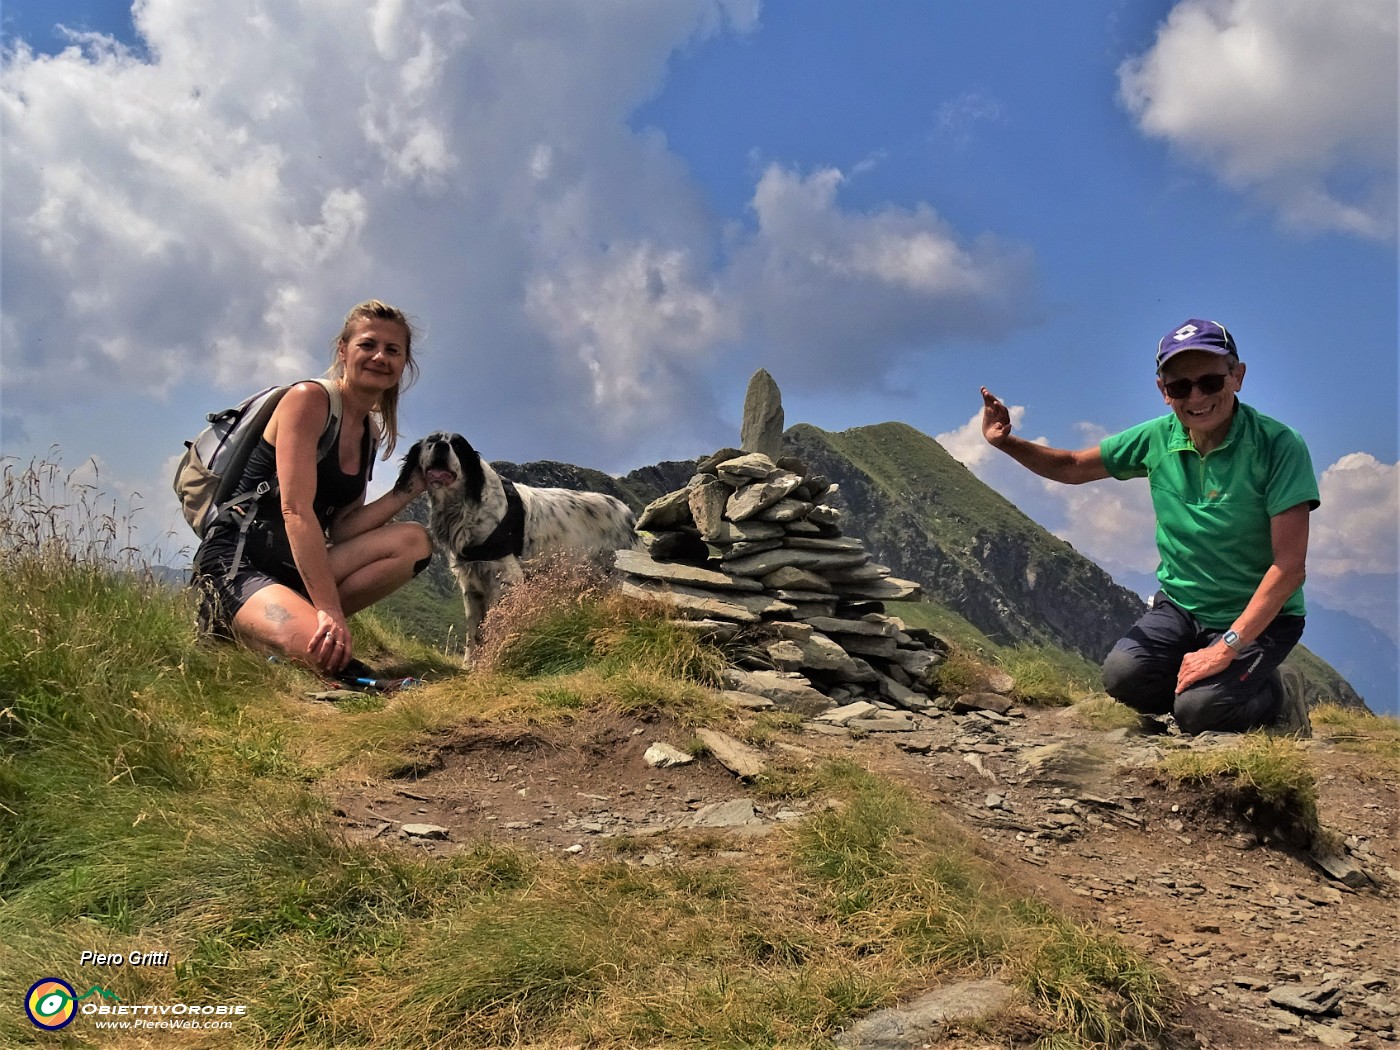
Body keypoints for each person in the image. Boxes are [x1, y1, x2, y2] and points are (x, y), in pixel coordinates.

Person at [979, 318, 1320, 735]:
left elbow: (1289, 567)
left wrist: (1228, 647)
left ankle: (1276, 696)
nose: (1195, 397)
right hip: (1181, 605)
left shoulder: (1278, 445)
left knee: (1200, 713)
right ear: (1163, 391)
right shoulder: (1158, 438)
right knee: (1123, 679)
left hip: (1261, 618)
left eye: (1211, 382)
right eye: (1180, 387)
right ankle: (1209, 693)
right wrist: (1005, 442)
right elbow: (1071, 468)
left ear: (1238, 377)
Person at [192, 300, 432, 679]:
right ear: (343, 350)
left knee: (414, 542)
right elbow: (296, 510)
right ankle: (261, 626)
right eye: (367, 345)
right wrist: (330, 609)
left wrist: (411, 488)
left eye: (393, 350)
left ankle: (283, 626)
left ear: (404, 364)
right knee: (327, 659)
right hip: (238, 560)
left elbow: (343, 528)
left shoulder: (369, 433)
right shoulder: (308, 400)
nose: (380, 357)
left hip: (293, 569)